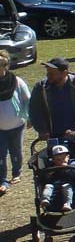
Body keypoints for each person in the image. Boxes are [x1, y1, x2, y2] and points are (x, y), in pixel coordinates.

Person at [27, 57, 75, 154]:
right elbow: (34, 110)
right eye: (48, 73)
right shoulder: (41, 87)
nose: (48, 76)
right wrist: (42, 130)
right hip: (54, 135)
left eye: (52, 74)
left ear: (64, 73)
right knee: (57, 164)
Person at [0, 50, 30, 197]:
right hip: (0, 127)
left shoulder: (16, 81)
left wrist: (29, 117)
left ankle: (16, 173)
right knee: (0, 154)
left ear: (5, 66)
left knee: (15, 151)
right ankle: (2, 180)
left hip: (17, 125)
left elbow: (27, 100)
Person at [37, 143, 75, 214]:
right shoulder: (51, 166)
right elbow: (45, 177)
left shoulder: (72, 164)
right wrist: (50, 172)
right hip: (54, 184)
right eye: (58, 159)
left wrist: (68, 168)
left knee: (67, 188)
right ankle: (45, 200)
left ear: (68, 157)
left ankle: (67, 203)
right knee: (48, 187)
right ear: (53, 160)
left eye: (63, 158)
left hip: (68, 183)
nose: (61, 161)